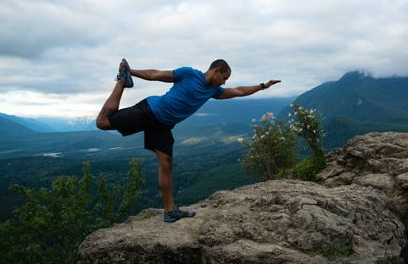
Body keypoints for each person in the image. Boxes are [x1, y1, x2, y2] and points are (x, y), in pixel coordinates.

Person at [96, 58, 280, 222]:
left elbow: (238, 91)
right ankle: (121, 82)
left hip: (163, 125)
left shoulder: (212, 91)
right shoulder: (189, 74)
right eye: (224, 77)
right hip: (149, 111)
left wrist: (263, 86)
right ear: (216, 70)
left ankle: (170, 211)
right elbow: (156, 75)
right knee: (102, 122)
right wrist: (130, 72)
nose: (224, 82)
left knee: (166, 164)